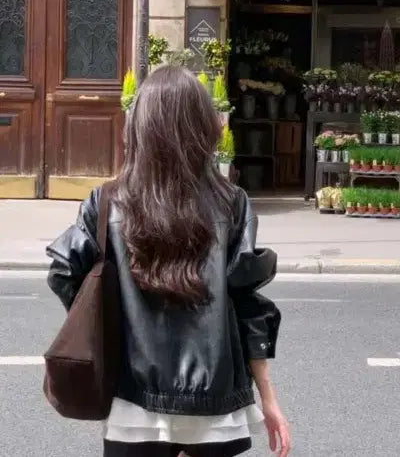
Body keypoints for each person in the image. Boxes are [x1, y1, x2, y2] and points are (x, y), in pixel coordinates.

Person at [46, 66, 291, 457]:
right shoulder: (231, 202)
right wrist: (269, 398)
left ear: (140, 127)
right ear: (203, 126)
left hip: (132, 399)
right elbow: (248, 304)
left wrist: (108, 318)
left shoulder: (108, 201)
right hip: (214, 403)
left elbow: (64, 270)